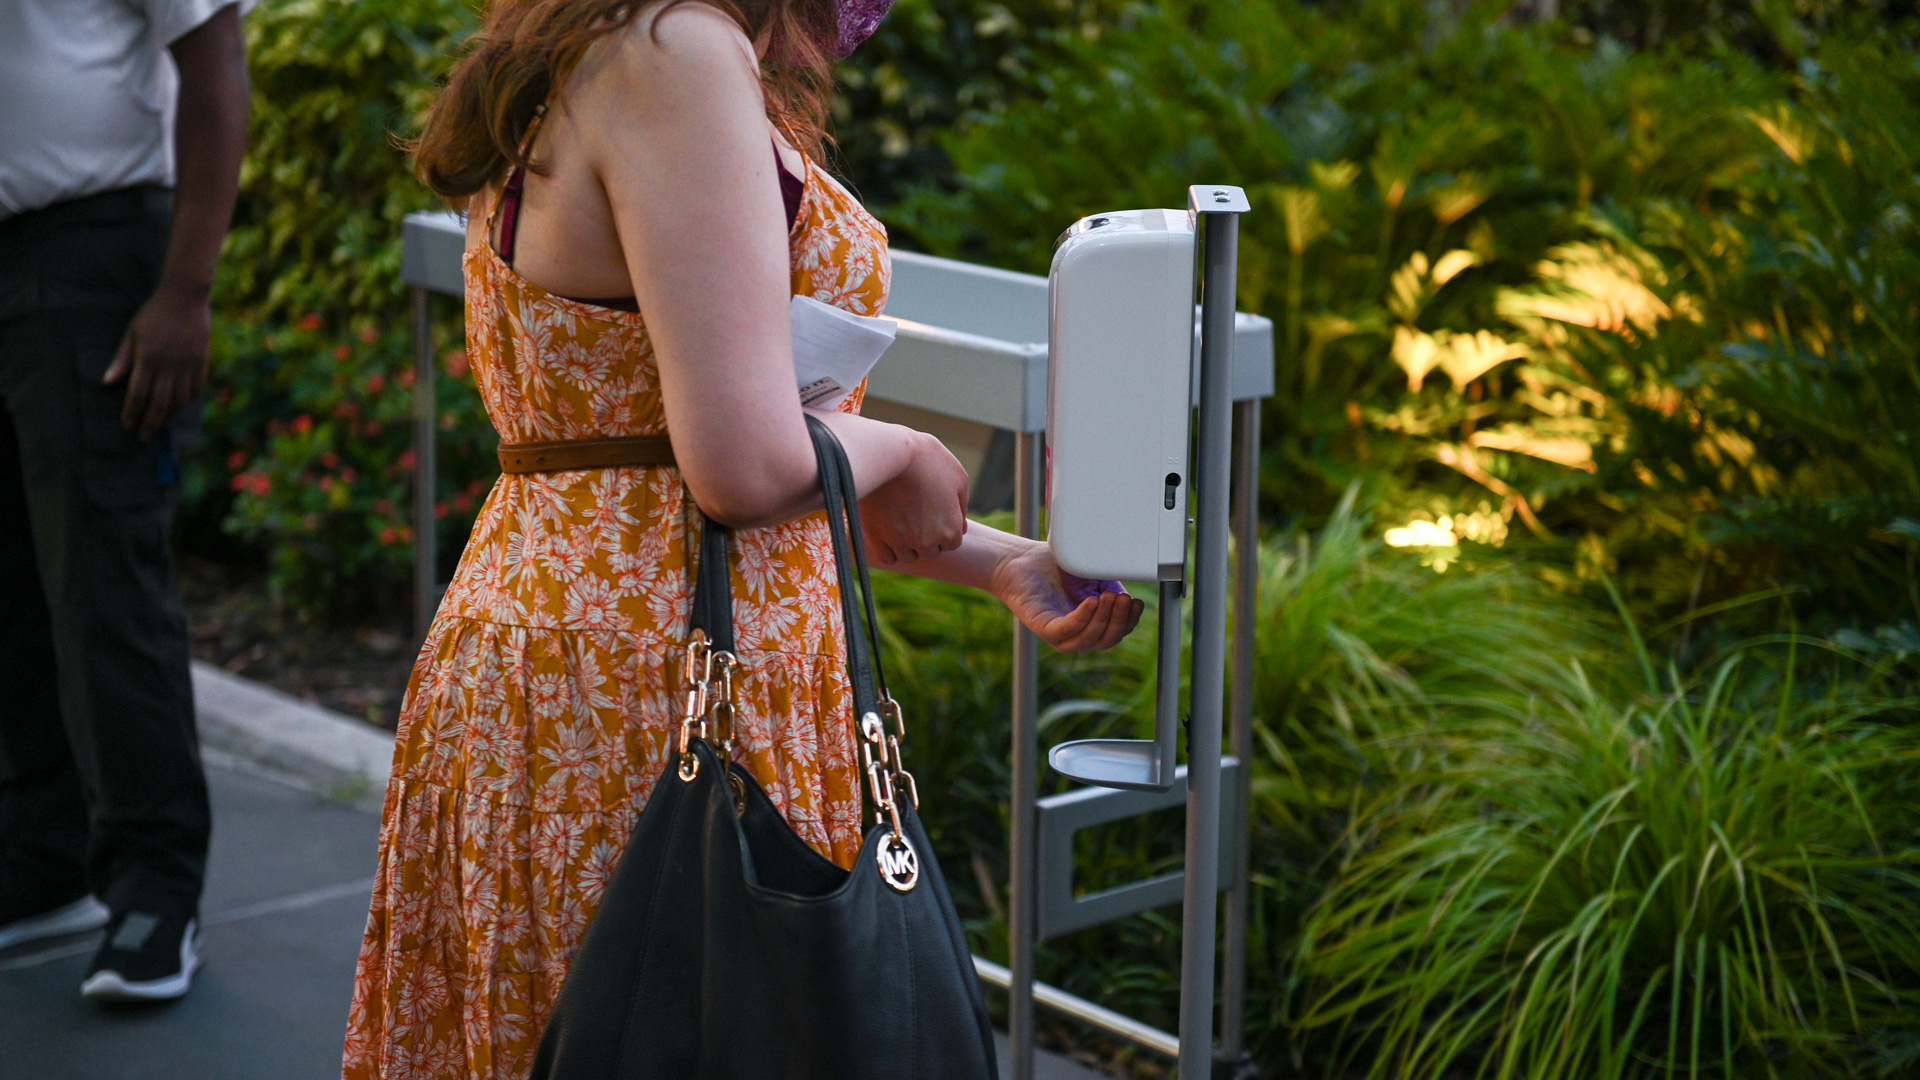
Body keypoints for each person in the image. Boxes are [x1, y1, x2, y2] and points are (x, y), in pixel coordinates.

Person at [341, 0, 1142, 1074]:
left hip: (586, 650)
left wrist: (1000, 561)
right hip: (647, 683)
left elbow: (666, 449)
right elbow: (746, 467)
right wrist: (902, 448)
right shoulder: (679, 50)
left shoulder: (602, 37)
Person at [0, 1, 251, 1002]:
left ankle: (155, 889)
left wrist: (185, 288)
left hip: (94, 251)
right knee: (13, 584)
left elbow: (215, 59)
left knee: (106, 582)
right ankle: (40, 858)